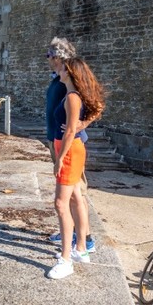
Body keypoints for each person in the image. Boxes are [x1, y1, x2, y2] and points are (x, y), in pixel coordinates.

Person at [47, 57, 106, 279]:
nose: (58, 71)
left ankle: (66, 260)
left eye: (62, 68)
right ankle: (80, 249)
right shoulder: (72, 95)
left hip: (69, 150)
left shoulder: (72, 97)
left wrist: (60, 158)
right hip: (72, 149)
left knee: (61, 203)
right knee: (74, 199)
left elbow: (70, 131)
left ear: (69, 73)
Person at [44, 38, 98, 253]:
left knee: (77, 194)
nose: (47, 60)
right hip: (56, 138)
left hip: (70, 143)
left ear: (57, 57)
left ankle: (86, 239)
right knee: (72, 192)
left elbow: (97, 103)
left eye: (48, 56)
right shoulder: (59, 79)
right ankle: (72, 232)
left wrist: (82, 123)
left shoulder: (73, 81)